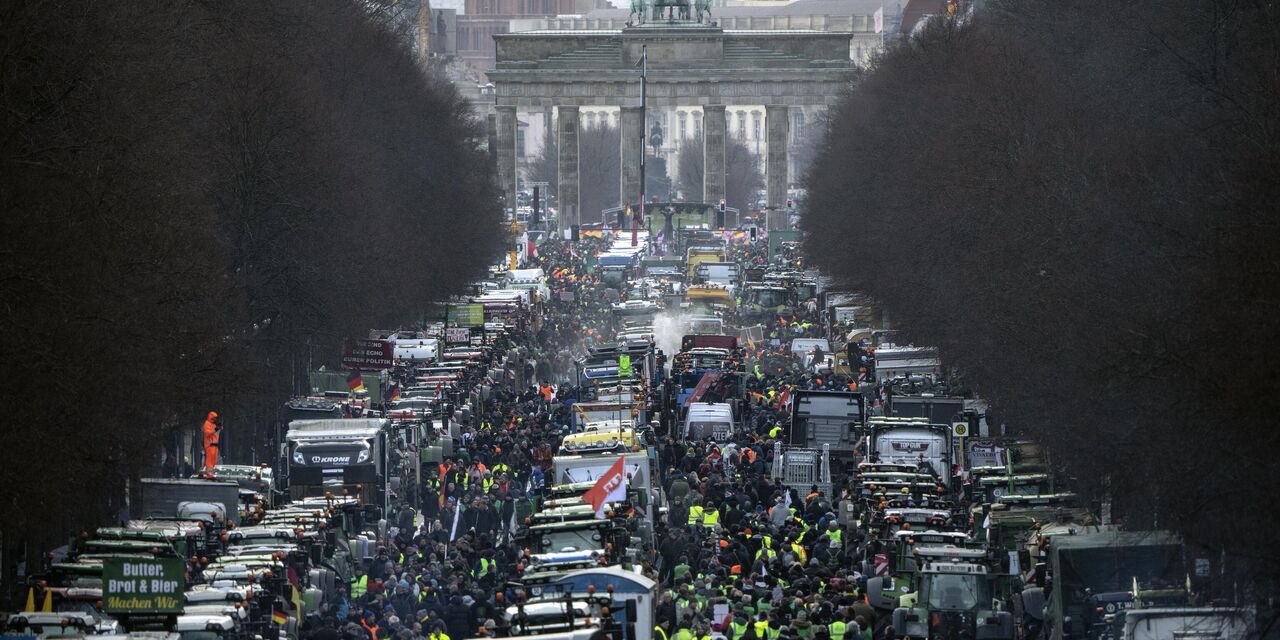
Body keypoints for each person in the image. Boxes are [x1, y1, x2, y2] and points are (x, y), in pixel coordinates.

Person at [201, 411, 222, 476]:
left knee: (213, 461)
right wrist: (216, 429)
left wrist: (219, 427)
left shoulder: (214, 424)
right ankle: (209, 474)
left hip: (215, 445)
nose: (215, 419)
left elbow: (216, 434)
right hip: (210, 445)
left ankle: (210, 473)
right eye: (214, 418)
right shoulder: (207, 424)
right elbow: (208, 433)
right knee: (209, 461)